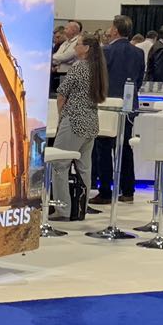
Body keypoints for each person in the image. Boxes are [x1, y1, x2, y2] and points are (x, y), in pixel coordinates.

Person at [52, 32, 105, 219]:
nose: (75, 47)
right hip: (91, 121)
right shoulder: (98, 68)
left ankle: (63, 210)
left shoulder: (79, 67)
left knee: (59, 164)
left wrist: (61, 118)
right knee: (84, 168)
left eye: (78, 44)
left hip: (74, 120)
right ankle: (81, 208)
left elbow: (62, 94)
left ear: (86, 48)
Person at [93, 16, 144, 205]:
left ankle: (105, 191)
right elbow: (139, 79)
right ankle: (128, 190)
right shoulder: (138, 53)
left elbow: (98, 77)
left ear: (115, 30)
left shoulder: (105, 51)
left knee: (104, 148)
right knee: (125, 148)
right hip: (128, 105)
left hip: (107, 105)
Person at [51, 20, 82, 88]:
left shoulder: (78, 42)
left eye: (66, 28)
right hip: (60, 74)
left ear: (73, 30)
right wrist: (57, 59)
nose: (64, 31)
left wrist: (51, 58)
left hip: (70, 74)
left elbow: (66, 57)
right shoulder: (66, 42)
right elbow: (57, 57)